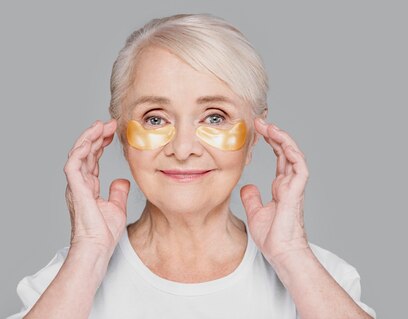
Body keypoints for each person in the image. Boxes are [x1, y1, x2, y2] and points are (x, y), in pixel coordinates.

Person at [7, 13, 376, 319]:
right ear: (118, 133)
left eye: (215, 118)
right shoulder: (64, 281)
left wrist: (292, 253)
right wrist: (87, 251)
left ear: (254, 136)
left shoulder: (320, 279)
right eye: (154, 119)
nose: (183, 149)